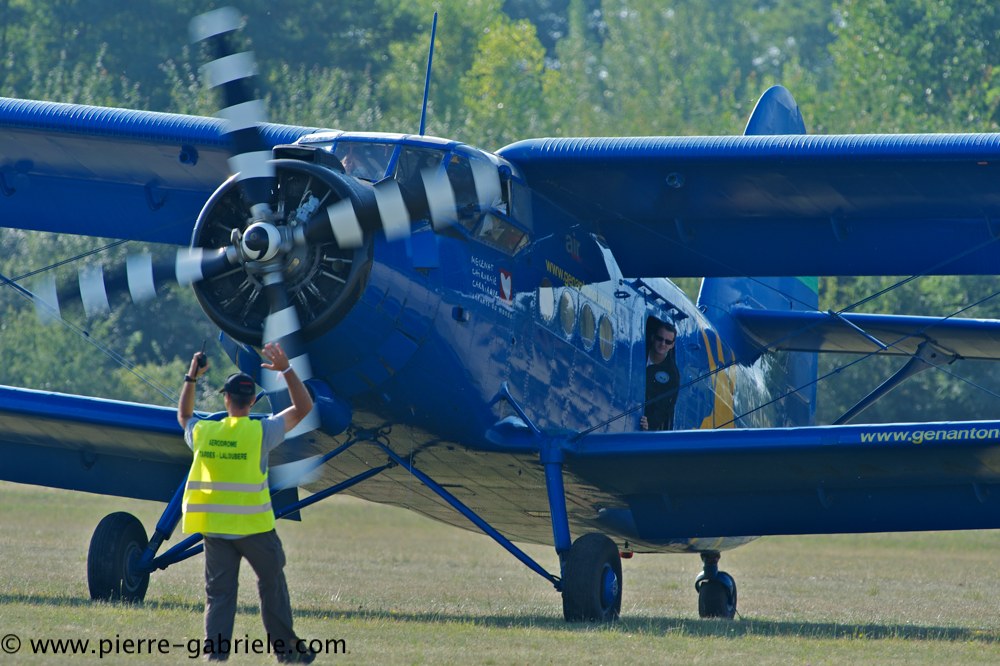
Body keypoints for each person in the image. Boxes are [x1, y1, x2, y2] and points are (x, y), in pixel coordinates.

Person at [177, 342, 315, 663]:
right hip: (255, 529)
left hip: (215, 529)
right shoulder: (260, 432)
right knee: (272, 585)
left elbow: (184, 416)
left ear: (226, 398)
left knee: (220, 596)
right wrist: (287, 369)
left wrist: (192, 377)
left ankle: (216, 656)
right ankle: (288, 653)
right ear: (252, 401)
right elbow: (303, 409)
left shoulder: (205, 432)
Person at [640, 320, 680, 431]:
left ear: (672, 345)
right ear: (653, 337)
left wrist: (650, 423)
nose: (663, 344)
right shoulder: (639, 350)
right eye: (659, 339)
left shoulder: (672, 374)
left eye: (667, 342)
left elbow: (665, 407)